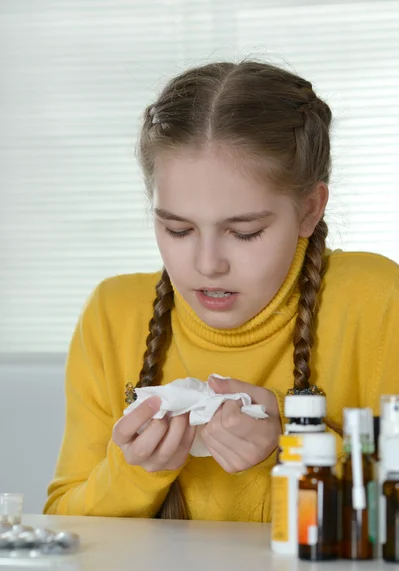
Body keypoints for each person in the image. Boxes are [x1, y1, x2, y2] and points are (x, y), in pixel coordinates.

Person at [44, 60, 399, 522]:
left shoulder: (376, 301)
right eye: (177, 229)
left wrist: (298, 442)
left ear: (309, 209)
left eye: (244, 232)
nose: (208, 265)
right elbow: (61, 525)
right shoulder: (114, 314)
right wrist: (135, 472)